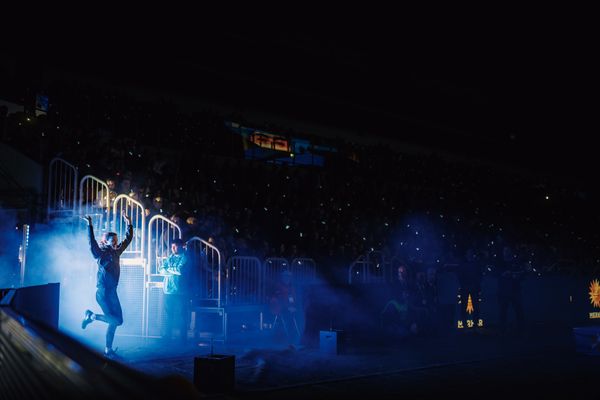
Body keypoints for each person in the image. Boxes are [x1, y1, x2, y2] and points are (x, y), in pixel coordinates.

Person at [81, 214, 133, 358]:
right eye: (114, 240)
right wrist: (89, 225)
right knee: (115, 320)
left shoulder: (117, 252)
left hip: (112, 292)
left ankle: (107, 349)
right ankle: (92, 316)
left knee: (117, 321)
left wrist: (129, 223)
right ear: (107, 241)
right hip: (103, 293)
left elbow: (128, 239)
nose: (116, 243)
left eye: (117, 240)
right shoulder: (100, 253)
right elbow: (91, 243)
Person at [159, 238, 190, 344]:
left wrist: (168, 269)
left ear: (181, 246)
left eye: (175, 246)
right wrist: (173, 269)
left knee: (182, 315)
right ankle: (167, 337)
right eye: (172, 246)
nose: (172, 248)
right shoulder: (170, 257)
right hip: (168, 290)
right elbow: (161, 269)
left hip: (181, 291)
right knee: (168, 314)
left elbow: (180, 270)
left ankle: (183, 339)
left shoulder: (185, 257)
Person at [269, 269, 300, 345]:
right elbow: (277, 300)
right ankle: (286, 337)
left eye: (289, 277)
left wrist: (293, 306)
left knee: (297, 313)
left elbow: (293, 299)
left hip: (288, 308)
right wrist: (287, 307)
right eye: (286, 277)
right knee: (288, 315)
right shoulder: (278, 286)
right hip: (279, 308)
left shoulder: (290, 287)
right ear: (283, 277)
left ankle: (293, 335)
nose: (288, 278)